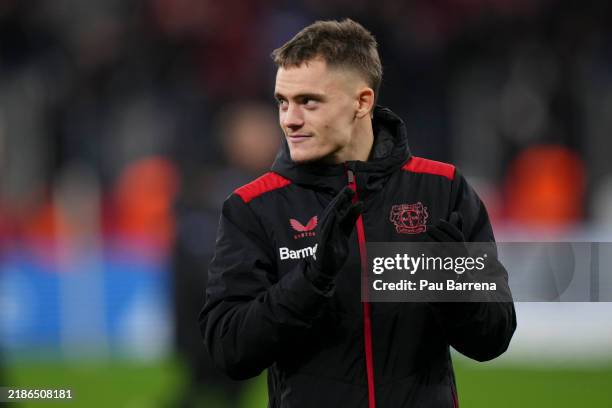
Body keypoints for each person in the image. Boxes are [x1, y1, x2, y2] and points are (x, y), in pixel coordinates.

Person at [199, 18, 516, 408]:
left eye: (308, 101)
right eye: (283, 101)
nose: (289, 119)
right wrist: (310, 282)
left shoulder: (442, 189)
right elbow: (229, 350)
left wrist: (454, 289)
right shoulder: (254, 206)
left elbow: (493, 338)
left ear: (362, 102)